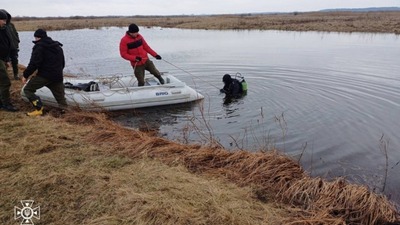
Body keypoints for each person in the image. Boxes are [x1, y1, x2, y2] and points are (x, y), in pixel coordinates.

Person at [22, 29, 67, 116]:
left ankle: (39, 109)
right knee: (60, 97)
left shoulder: (39, 47)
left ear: (37, 37)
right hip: (57, 76)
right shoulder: (58, 46)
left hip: (45, 75)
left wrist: (25, 75)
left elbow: (34, 63)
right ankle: (65, 113)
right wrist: (57, 72)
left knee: (28, 90)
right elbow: (62, 63)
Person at [0, 10, 17, 111]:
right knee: (5, 81)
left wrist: (7, 59)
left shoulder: (4, 29)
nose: (4, 22)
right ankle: (6, 104)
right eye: (2, 20)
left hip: (3, 59)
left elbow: (8, 44)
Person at [1, 9, 19, 80]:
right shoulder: (2, 27)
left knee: (15, 61)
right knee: (4, 61)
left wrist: (17, 41)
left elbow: (16, 33)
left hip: (14, 46)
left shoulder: (11, 25)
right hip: (6, 47)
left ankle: (16, 75)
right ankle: (4, 76)